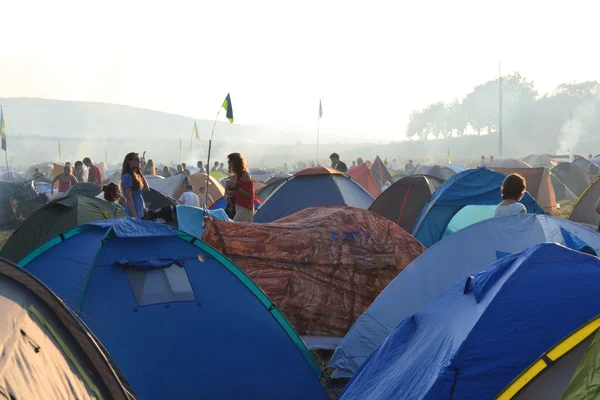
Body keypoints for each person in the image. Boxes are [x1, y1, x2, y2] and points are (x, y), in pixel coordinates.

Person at [226, 152, 255, 222]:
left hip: (245, 208)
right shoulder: (238, 176)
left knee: (234, 228)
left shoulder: (245, 176)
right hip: (239, 207)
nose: (229, 164)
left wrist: (236, 187)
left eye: (230, 162)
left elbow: (250, 195)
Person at [121, 152, 150, 219]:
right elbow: (129, 198)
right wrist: (135, 216)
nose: (139, 162)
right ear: (129, 161)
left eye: (139, 160)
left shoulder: (136, 176)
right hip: (133, 209)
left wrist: (140, 173)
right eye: (136, 160)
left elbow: (147, 188)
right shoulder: (127, 176)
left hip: (139, 207)